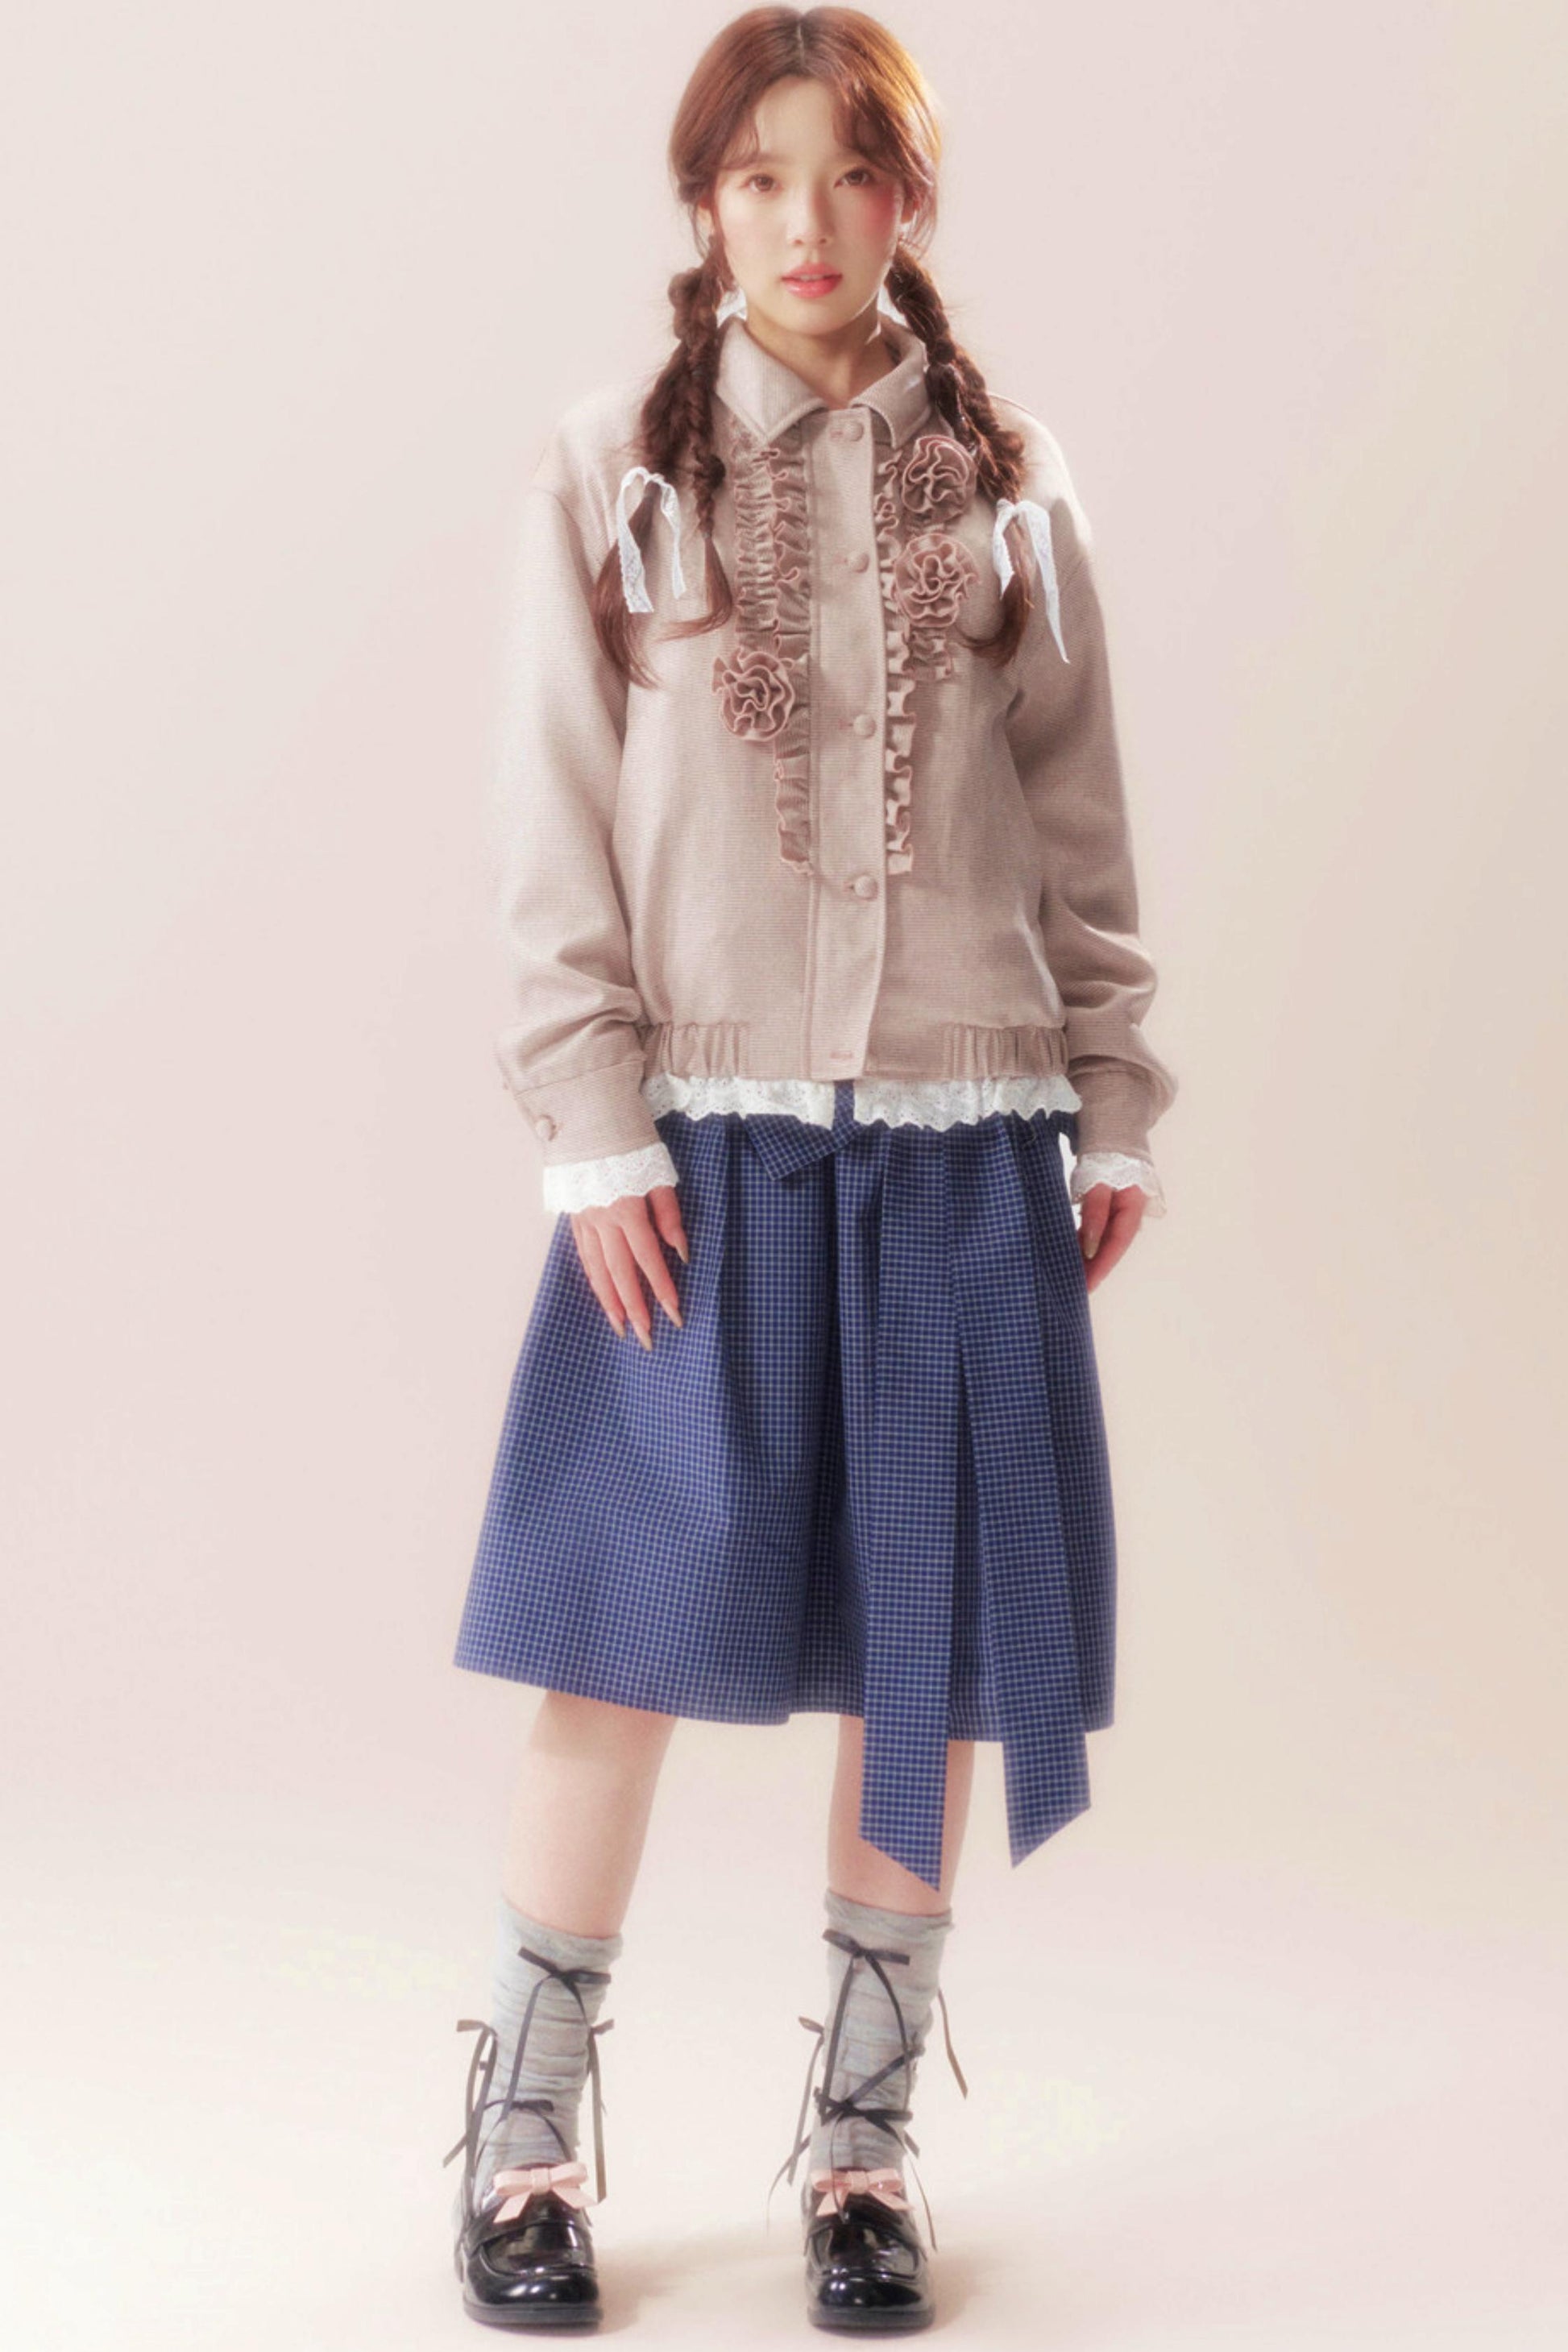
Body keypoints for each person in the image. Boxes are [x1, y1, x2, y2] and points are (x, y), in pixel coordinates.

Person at [443, 6, 1177, 2332]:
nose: (803, 220)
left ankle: (860, 2156)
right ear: (703, 206)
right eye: (756, 178)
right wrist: (591, 1128)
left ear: (906, 201)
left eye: (848, 173)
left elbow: (1076, 821)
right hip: (703, 1149)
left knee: (926, 1656)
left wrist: (1112, 1092)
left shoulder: (1008, 483)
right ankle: (525, 2142)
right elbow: (553, 826)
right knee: (614, 1637)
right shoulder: (614, 474)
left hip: (963, 1138)